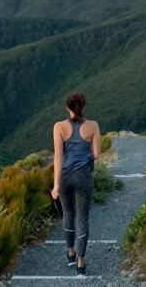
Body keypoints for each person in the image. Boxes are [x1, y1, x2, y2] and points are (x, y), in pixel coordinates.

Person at [51, 93, 101, 276]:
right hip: (83, 177)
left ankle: (70, 251)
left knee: (68, 213)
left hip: (64, 176)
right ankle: (81, 262)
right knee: (82, 217)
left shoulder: (59, 127)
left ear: (67, 108)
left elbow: (58, 156)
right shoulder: (93, 126)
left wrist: (56, 185)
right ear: (84, 107)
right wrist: (85, 159)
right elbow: (96, 153)